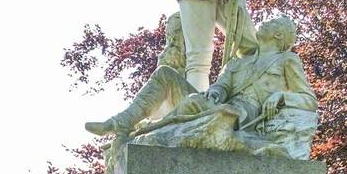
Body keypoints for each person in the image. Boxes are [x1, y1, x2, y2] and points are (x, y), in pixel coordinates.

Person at [133, 17, 318, 160]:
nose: (262, 23)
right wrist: (215, 93)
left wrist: (281, 97)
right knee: (183, 93)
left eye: (271, 23)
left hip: (245, 117)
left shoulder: (286, 60)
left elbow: (309, 100)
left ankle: (150, 131)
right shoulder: (237, 62)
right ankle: (137, 128)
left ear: (278, 35)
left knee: (195, 106)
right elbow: (222, 86)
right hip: (223, 105)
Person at [84, 13, 191, 139]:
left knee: (164, 74)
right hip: (198, 100)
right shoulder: (172, 57)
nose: (172, 42)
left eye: (177, 35)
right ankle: (124, 122)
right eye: (169, 36)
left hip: (204, 102)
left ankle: (120, 122)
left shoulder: (195, 53)